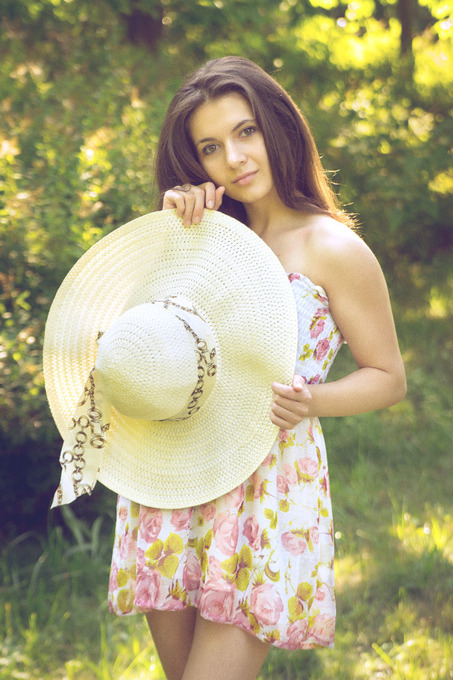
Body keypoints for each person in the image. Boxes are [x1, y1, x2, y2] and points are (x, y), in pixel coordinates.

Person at [108, 56, 406, 680]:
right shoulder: (200, 236)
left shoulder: (333, 248)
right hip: (174, 475)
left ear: (278, 126)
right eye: (210, 147)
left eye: (246, 131)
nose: (235, 158)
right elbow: (138, 345)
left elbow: (388, 377)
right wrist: (169, 235)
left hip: (263, 488)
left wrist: (313, 401)